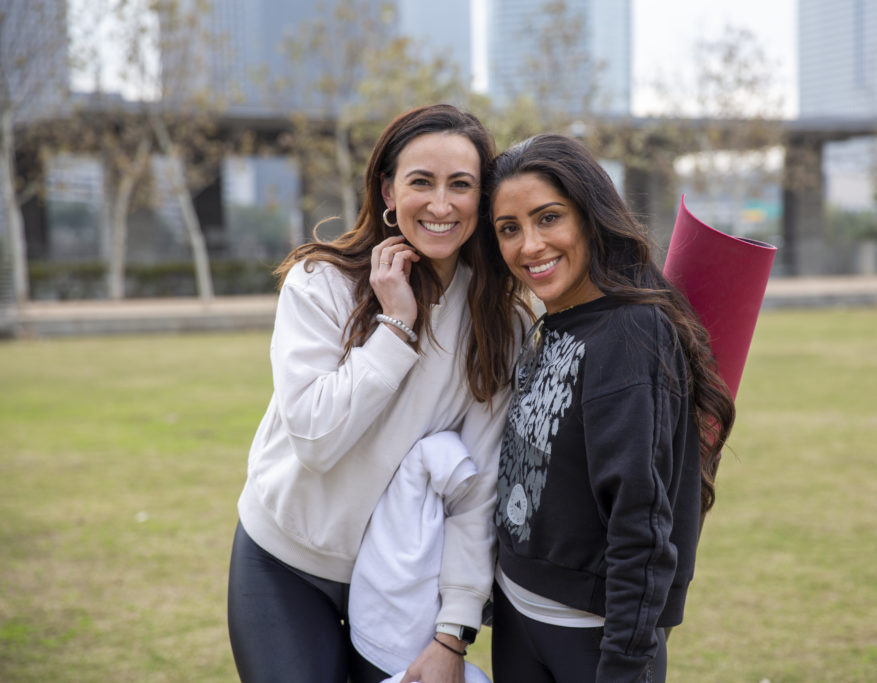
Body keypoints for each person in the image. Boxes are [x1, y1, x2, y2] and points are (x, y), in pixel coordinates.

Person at [227, 104, 527, 683]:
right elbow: (315, 438)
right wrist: (395, 327)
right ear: (388, 191)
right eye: (421, 182)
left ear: (481, 200)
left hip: (402, 581)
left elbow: (477, 489)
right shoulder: (320, 283)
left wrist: (453, 634)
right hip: (285, 562)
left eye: (460, 185)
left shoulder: (500, 325)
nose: (441, 205)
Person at [482, 134, 736, 683]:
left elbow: (640, 520)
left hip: (590, 635)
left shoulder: (628, 333)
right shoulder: (550, 325)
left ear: (591, 218)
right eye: (509, 228)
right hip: (517, 613)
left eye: (549, 218)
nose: (529, 245)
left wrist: (624, 662)